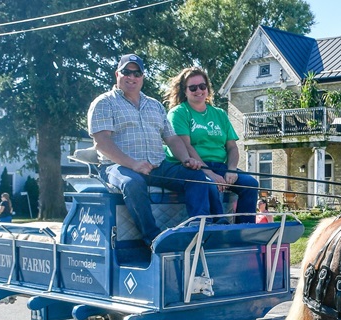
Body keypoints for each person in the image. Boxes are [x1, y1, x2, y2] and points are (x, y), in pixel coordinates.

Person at [87, 54, 210, 246]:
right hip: (117, 167)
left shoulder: (154, 105)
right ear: (117, 74)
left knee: (197, 177)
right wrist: (133, 164)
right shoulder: (104, 103)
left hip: (157, 166)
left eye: (137, 73)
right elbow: (102, 142)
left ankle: (199, 231)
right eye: (127, 72)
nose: (132, 77)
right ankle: (154, 240)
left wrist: (186, 159)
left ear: (142, 76)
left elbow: (172, 139)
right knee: (132, 183)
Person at [164, 67, 260, 223]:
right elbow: (187, 147)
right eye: (193, 87)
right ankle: (216, 226)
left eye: (202, 86)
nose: (199, 91)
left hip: (220, 165)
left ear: (207, 89)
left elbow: (232, 147)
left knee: (251, 184)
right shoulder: (179, 113)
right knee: (207, 184)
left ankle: (243, 230)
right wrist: (210, 174)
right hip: (194, 166)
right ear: (184, 90)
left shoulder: (219, 114)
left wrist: (231, 169)